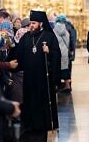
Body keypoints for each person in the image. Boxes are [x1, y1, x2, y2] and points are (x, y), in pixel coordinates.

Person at [17, 10, 61, 142]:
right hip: (29, 78)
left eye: (34, 23)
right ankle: (30, 124)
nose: (31, 25)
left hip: (43, 78)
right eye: (30, 23)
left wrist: (50, 52)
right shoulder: (26, 37)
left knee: (42, 100)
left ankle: (43, 124)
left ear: (41, 24)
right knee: (30, 100)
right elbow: (19, 54)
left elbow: (57, 55)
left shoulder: (49, 36)